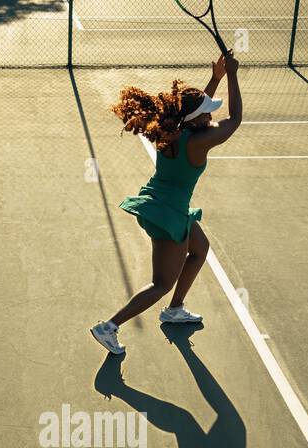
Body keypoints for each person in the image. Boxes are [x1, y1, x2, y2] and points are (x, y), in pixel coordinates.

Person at [91, 52, 242, 356]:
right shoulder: (199, 141)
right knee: (161, 283)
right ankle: (109, 326)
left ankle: (175, 310)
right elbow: (235, 119)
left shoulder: (171, 130)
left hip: (160, 203)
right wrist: (234, 75)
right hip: (168, 215)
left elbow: (192, 110)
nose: (211, 115)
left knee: (200, 249)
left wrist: (216, 78)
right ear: (196, 120)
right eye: (207, 112)